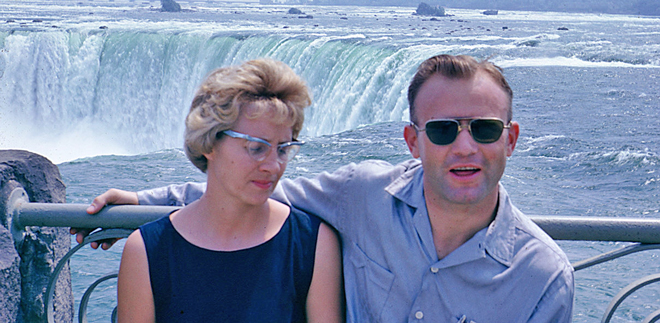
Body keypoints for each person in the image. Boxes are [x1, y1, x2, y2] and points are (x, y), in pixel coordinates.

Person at [81, 54, 574, 322]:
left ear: (509, 140)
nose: (465, 146)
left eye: (484, 129)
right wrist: (145, 203)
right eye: (444, 129)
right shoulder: (361, 195)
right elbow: (245, 194)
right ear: (412, 141)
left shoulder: (543, 277)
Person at [113, 58, 344, 322]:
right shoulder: (146, 250)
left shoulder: (313, 243)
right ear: (209, 143)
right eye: (257, 147)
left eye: (283, 149)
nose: (273, 166)